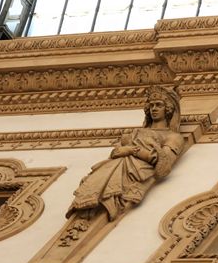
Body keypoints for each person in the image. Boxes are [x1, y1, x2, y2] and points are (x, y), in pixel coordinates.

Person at [67, 86, 184, 221]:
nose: (154, 109)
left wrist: (132, 150)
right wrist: (124, 150)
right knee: (95, 181)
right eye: (151, 105)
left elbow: (164, 166)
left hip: (137, 171)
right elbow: (115, 152)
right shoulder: (134, 133)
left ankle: (109, 204)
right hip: (117, 165)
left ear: (168, 109)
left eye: (159, 105)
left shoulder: (173, 137)